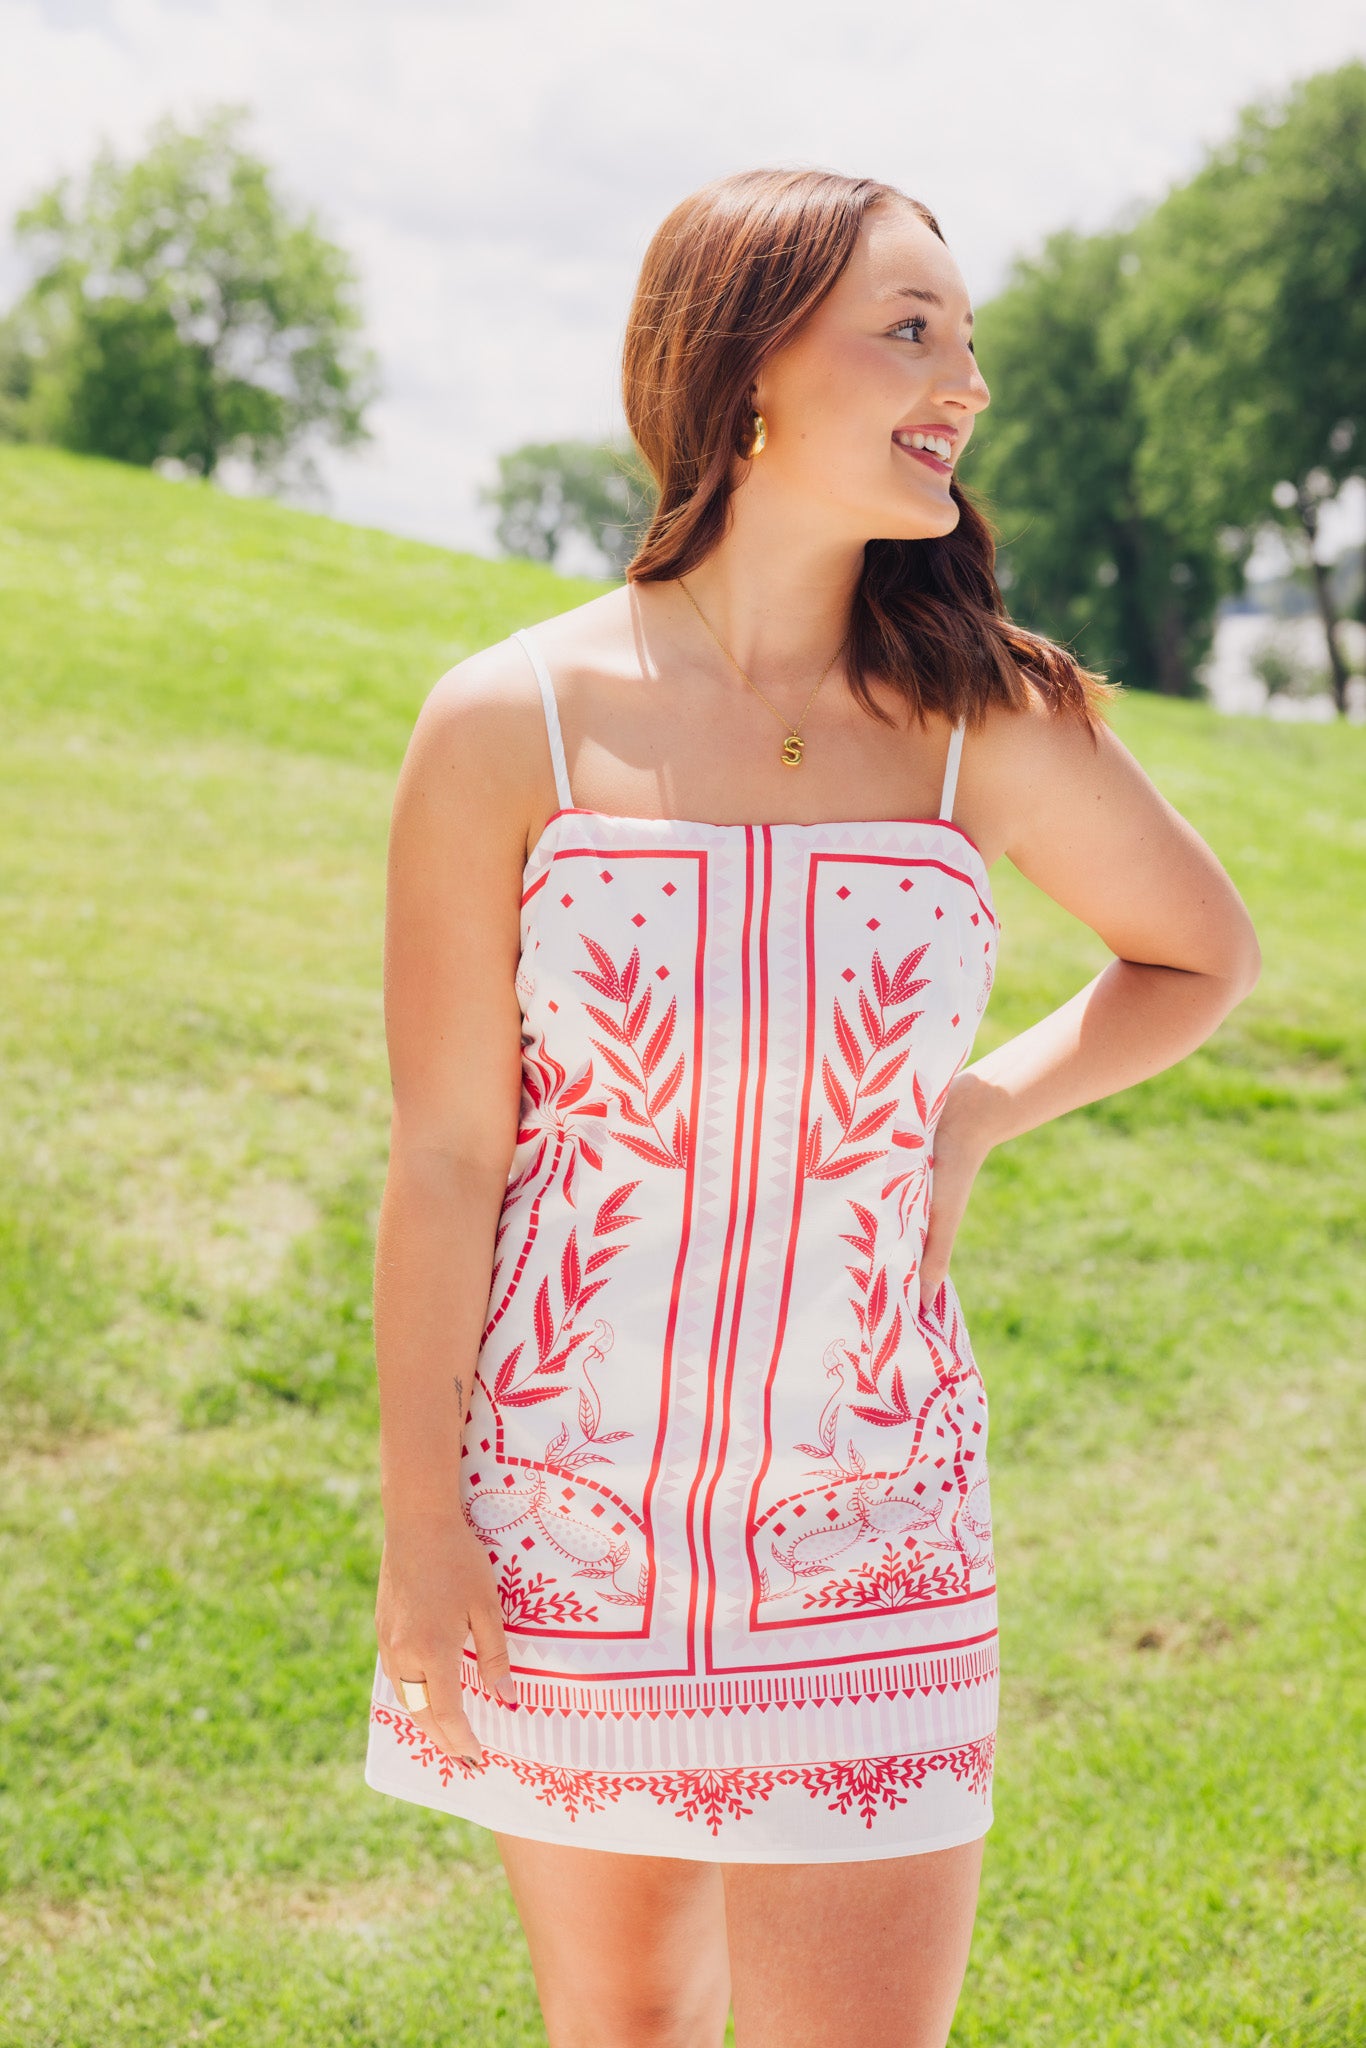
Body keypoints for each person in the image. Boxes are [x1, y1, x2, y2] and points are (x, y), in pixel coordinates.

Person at [362, 168, 1261, 2048]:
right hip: (567, 1525)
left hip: (872, 1525)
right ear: (748, 367)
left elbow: (1194, 957)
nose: (969, 381)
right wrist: (419, 1521)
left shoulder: (982, 720)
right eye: (911, 328)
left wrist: (973, 1112)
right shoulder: (505, 722)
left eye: (966, 333)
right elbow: (448, 1155)